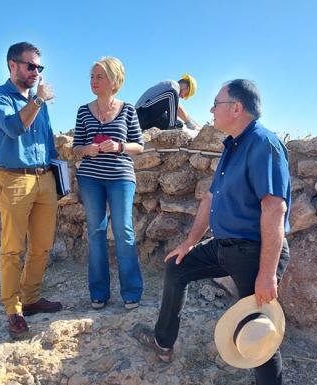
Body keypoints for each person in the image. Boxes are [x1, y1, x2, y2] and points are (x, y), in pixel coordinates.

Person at [133, 79, 292, 385]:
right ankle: (163, 342)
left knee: (257, 329)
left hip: (254, 252)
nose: (210, 109)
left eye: (216, 103)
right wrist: (190, 243)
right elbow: (210, 198)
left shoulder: (263, 143)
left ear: (236, 108)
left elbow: (274, 209)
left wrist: (267, 274)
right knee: (176, 267)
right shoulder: (233, 145)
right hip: (225, 246)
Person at [0, 42, 63, 339]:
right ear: (12, 65)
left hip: (44, 178)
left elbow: (48, 140)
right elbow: (14, 128)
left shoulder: (35, 100)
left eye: (39, 67)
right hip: (14, 179)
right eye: (31, 66)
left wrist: (58, 177)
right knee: (13, 248)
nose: (36, 72)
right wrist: (39, 101)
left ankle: (31, 298)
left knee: (42, 246)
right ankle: (13, 309)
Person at [72, 56, 145, 310]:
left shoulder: (128, 110)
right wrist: (87, 149)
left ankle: (132, 292)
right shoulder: (83, 110)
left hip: (121, 177)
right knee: (96, 232)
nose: (94, 81)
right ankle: (99, 292)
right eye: (92, 76)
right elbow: (76, 147)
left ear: (114, 80)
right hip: (90, 177)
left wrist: (119, 146)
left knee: (124, 231)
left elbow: (139, 145)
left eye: (99, 76)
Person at [135, 75, 201, 131]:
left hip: (148, 119)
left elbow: (175, 108)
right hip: (141, 112)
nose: (183, 97)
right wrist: (188, 122)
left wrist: (191, 123)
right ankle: (171, 128)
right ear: (185, 86)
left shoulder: (172, 95)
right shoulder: (173, 84)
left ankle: (170, 127)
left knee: (179, 124)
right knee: (172, 95)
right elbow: (178, 107)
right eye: (186, 94)